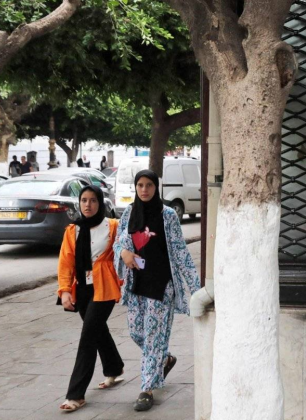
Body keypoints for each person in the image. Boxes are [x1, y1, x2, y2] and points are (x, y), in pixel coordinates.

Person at [114, 170, 200, 412]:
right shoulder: (130, 213)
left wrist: (195, 289)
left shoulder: (168, 215)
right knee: (135, 332)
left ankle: (146, 388)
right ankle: (165, 359)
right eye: (140, 185)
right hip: (137, 284)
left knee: (152, 338)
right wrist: (124, 252)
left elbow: (181, 252)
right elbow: (119, 240)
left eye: (149, 185)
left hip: (162, 285)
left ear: (156, 187)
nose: (144, 189)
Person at [57, 185, 125, 413]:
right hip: (83, 289)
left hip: (104, 287)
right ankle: (114, 367)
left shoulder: (113, 226)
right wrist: (65, 290)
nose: (88, 205)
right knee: (97, 331)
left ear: (100, 203)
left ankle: (75, 394)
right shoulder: (72, 230)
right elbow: (66, 262)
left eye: (93, 200)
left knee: (87, 337)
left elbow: (124, 251)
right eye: (84, 200)